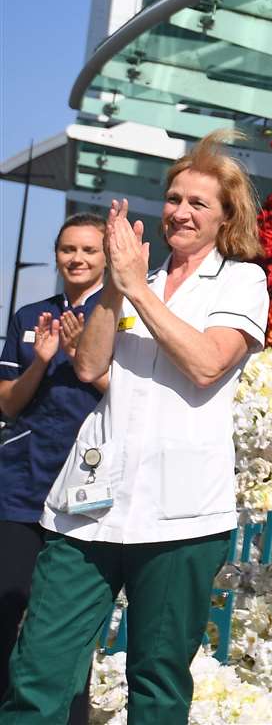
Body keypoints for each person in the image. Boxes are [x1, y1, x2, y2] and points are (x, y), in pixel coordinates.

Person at [0, 131, 269, 725]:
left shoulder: (241, 281)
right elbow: (91, 365)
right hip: (88, 508)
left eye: (198, 203)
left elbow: (205, 364)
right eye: (173, 198)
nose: (180, 212)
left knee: (157, 680)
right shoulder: (129, 281)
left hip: (180, 515)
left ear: (226, 217)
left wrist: (138, 290)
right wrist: (112, 291)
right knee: (39, 668)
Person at [0, 213, 108, 725]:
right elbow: (7, 405)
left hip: (85, 494)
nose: (78, 259)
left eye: (89, 249)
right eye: (69, 249)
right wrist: (42, 360)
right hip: (20, 489)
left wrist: (83, 356)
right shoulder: (28, 316)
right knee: (7, 610)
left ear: (106, 257)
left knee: (69, 626)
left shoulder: (120, 316)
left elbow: (131, 400)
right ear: (58, 254)